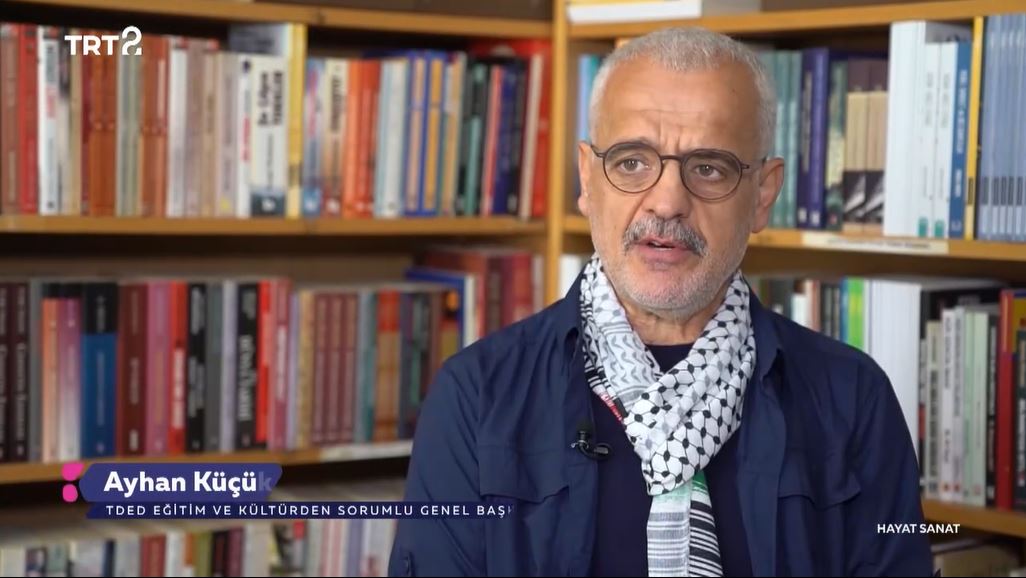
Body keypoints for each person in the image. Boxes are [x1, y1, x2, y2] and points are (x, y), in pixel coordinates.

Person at [388, 26, 931, 577]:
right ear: (587, 179)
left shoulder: (854, 399)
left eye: (709, 168)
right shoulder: (476, 398)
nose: (668, 201)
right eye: (631, 162)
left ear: (763, 194)